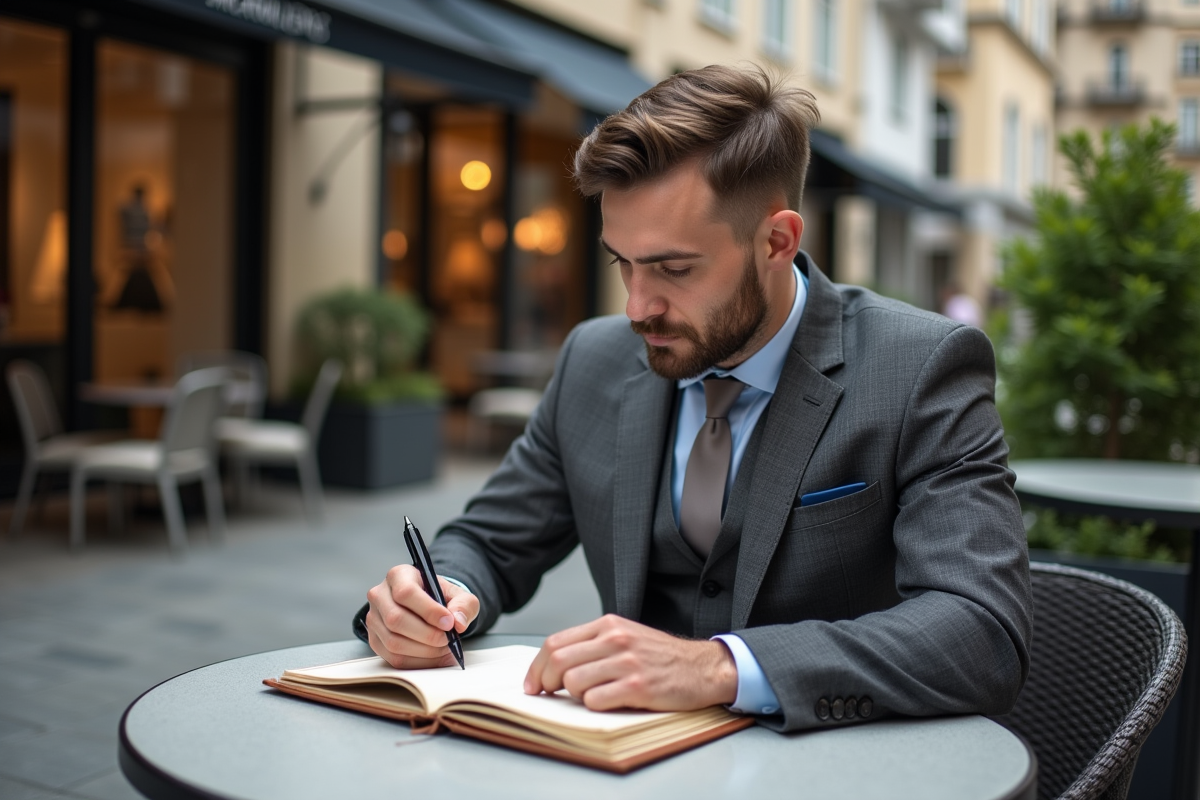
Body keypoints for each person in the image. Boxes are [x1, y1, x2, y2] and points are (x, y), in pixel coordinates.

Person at [359, 65, 1032, 731]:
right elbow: (489, 541)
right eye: (621, 261)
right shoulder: (593, 360)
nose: (637, 307)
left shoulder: (919, 368)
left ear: (777, 241)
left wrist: (720, 670)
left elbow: (981, 632)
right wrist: (436, 597)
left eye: (674, 269)